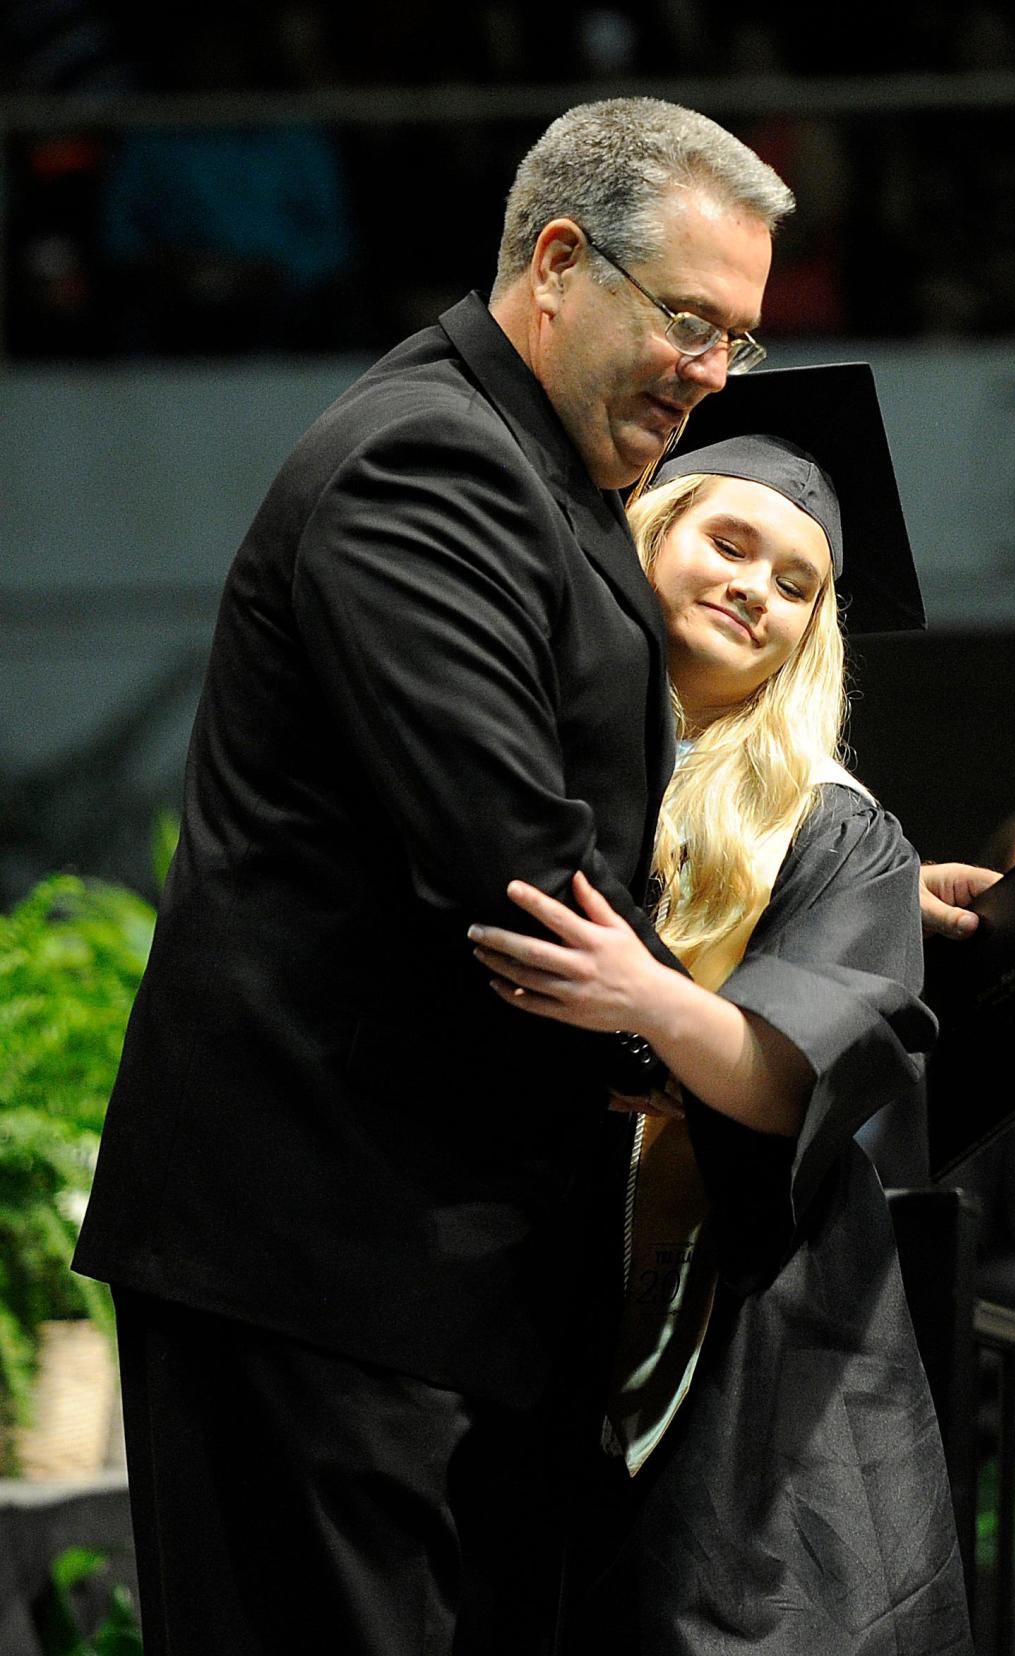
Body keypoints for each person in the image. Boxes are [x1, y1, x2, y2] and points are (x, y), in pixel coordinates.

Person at [72, 97, 795, 1656]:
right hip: (328, 1272)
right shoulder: (426, 465)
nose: (711, 376)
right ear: (555, 262)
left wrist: (793, 912)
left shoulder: (530, 471)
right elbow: (514, 875)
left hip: (412, 1280)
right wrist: (750, 1043)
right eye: (688, 322)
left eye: (736, 341)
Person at [471, 364, 975, 1653]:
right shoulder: (537, 750)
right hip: (523, 1303)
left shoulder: (833, 824)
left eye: (797, 583)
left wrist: (645, 997)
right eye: (729, 540)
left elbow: (784, 1075)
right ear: (654, 531)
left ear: (815, 632)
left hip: (755, 1349)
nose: (755, 585)